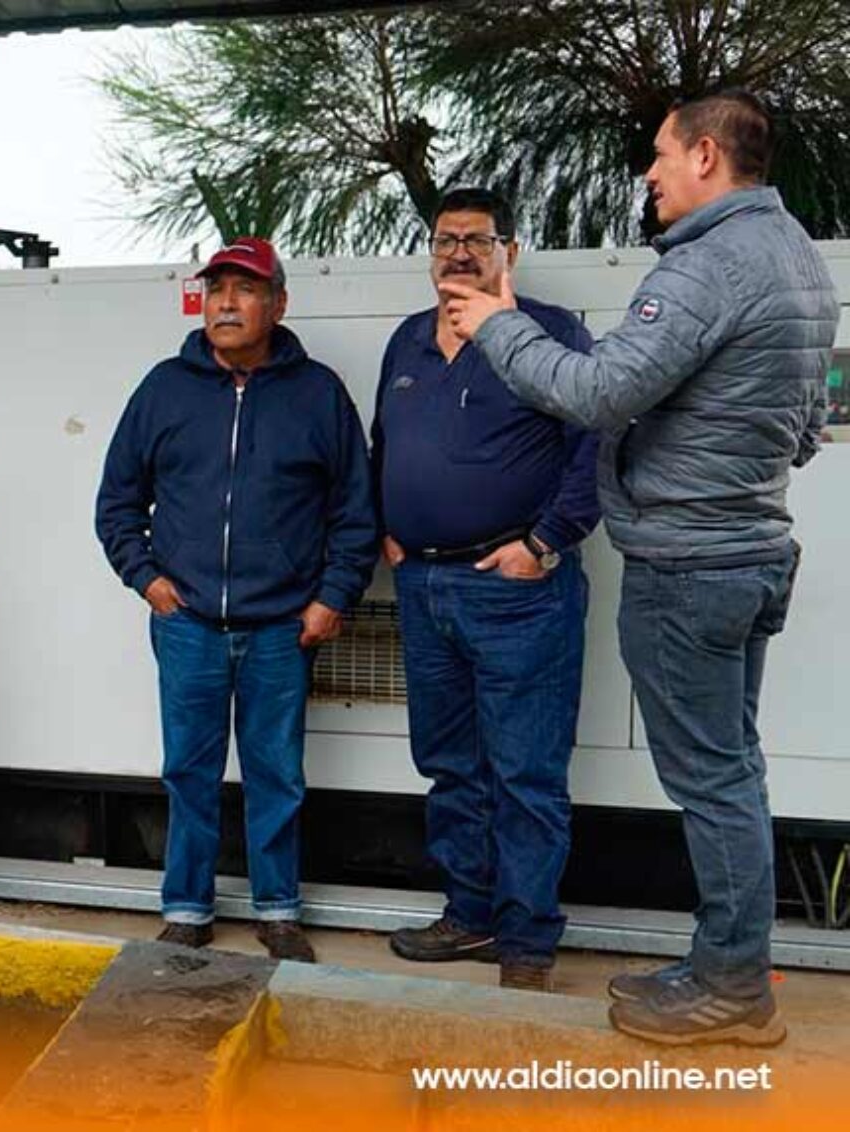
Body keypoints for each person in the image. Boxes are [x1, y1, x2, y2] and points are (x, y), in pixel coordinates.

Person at [442, 90, 837, 1045]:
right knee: (730, 772)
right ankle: (722, 965)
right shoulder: (799, 261)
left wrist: (499, 323)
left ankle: (734, 992)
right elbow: (806, 434)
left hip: (687, 567)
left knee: (713, 781)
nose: (648, 174)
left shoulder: (711, 263)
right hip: (746, 554)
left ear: (706, 155)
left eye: (659, 155)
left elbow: (597, 389)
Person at [96, 237, 378, 962]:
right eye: (216, 288)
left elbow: (355, 511)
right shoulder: (165, 387)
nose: (225, 302)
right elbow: (118, 502)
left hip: (283, 628)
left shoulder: (318, 393)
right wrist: (149, 581)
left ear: (278, 304)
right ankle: (187, 906)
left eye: (245, 289)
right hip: (187, 623)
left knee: (275, 774)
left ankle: (278, 907)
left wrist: (331, 598)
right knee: (189, 771)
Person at [372, 189, 601, 993]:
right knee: (449, 764)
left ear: (512, 249)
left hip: (517, 593)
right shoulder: (406, 339)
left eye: (477, 240)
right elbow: (383, 444)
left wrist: (542, 545)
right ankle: (469, 914)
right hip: (425, 586)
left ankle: (528, 944)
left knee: (525, 771)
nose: (459, 253)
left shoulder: (551, 332)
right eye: (444, 240)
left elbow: (594, 451)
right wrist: (386, 529)